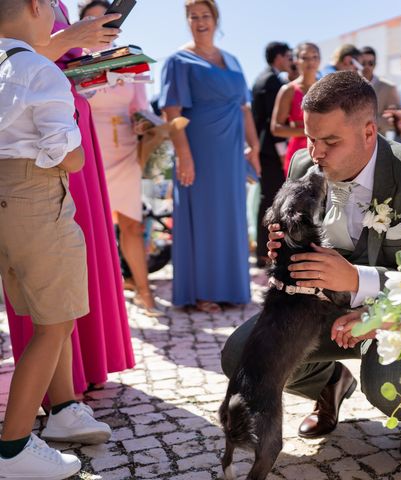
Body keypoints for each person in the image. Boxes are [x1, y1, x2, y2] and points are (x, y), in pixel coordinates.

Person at [221, 71, 401, 450]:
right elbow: (287, 241)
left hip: (392, 315)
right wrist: (280, 247)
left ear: (368, 132)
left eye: (330, 141)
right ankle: (329, 383)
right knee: (238, 356)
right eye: (312, 139)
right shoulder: (302, 164)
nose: (316, 154)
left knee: (388, 383)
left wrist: (358, 282)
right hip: (312, 314)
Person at [0, 1, 111, 478]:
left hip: (5, 200)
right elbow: (65, 152)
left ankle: (64, 411)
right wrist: (77, 156)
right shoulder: (40, 71)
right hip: (37, 199)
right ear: (34, 7)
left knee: (50, 315)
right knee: (54, 323)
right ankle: (14, 448)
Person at [6, 0, 135, 400]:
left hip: (74, 123)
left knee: (83, 247)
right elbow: (12, 62)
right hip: (38, 145)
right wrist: (68, 38)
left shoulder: (55, 3)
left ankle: (90, 365)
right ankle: (54, 392)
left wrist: (93, 69)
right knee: (48, 252)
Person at [160, 0, 261, 312]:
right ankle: (201, 292)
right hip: (199, 151)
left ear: (216, 19)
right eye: (193, 16)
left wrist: (253, 147)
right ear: (187, 21)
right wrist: (184, 156)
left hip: (231, 154)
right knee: (203, 219)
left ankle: (230, 289)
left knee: (230, 217)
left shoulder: (231, 59)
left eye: (205, 15)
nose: (200, 21)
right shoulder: (178, 60)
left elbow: (244, 108)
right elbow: (171, 110)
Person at [80, 0, 159, 314]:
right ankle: (95, 301)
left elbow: (142, 107)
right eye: (93, 21)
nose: (102, 27)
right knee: (89, 230)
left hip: (126, 151)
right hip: (89, 153)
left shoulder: (132, 61)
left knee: (133, 226)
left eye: (107, 21)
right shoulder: (71, 62)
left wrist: (144, 122)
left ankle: (143, 291)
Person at [252, 41, 291, 268]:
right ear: (278, 57)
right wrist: (282, 154)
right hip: (270, 151)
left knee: (267, 200)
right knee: (272, 202)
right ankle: (265, 253)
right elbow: (272, 123)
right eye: (288, 56)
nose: (290, 61)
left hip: (263, 149)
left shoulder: (261, 78)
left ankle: (262, 252)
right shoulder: (273, 81)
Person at [271, 42, 321, 174]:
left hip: (324, 152)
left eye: (314, 57)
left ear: (320, 60)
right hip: (299, 154)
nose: (310, 61)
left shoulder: (326, 89)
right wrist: (309, 132)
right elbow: (276, 128)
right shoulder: (288, 90)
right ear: (296, 61)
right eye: (305, 57)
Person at [360, 46, 400, 138]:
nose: (366, 66)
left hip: (377, 142)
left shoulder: (388, 87)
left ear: (375, 64)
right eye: (363, 63)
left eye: (370, 63)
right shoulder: (349, 87)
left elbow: (393, 121)